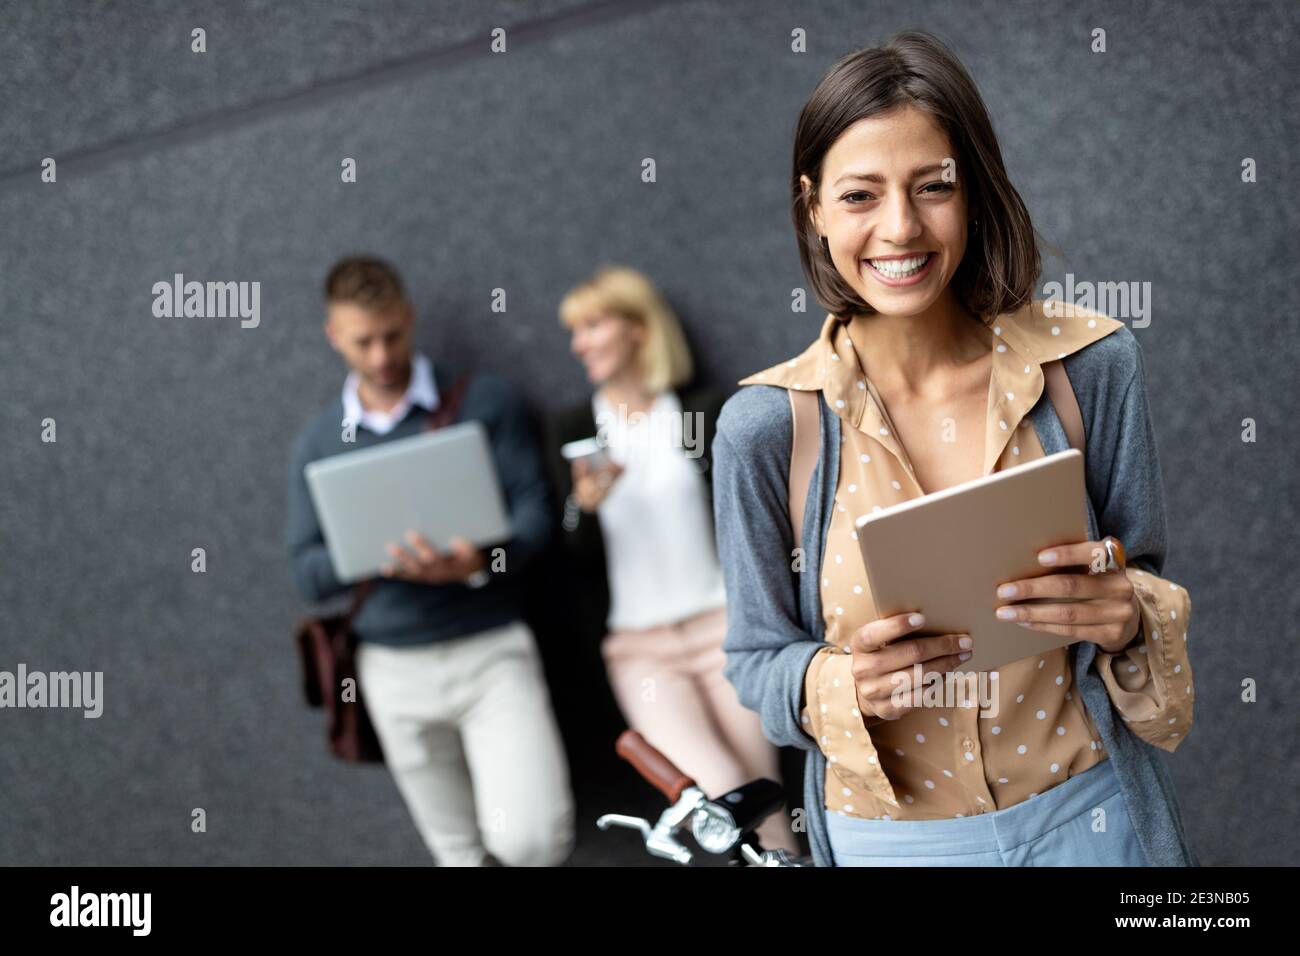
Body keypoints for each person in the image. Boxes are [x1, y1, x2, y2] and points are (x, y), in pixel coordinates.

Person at [711, 32, 1198, 867]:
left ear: (972, 191)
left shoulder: (1092, 367)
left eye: (932, 187)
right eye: (860, 196)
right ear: (813, 209)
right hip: (891, 846)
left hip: (1089, 818)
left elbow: (1138, 573)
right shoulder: (763, 429)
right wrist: (836, 685)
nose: (900, 228)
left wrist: (1127, 615)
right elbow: (756, 661)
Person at [286, 256, 574, 866]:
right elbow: (306, 573)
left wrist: (475, 562)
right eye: (363, 341)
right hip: (391, 669)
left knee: (531, 840)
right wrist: (374, 551)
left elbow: (537, 519)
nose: (382, 354)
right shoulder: (316, 443)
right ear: (334, 336)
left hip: (491, 649)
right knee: (457, 854)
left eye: (391, 334)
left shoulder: (484, 398)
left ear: (410, 318)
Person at [546, 265, 800, 855]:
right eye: (573, 331)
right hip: (642, 650)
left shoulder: (701, 411)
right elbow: (567, 546)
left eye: (591, 325)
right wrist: (580, 507)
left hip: (726, 634)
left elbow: (752, 516)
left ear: (637, 329)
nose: (578, 343)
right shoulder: (576, 427)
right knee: (719, 797)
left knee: (762, 798)